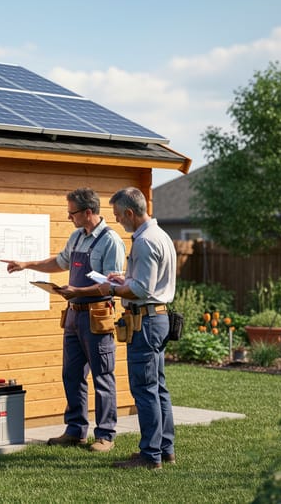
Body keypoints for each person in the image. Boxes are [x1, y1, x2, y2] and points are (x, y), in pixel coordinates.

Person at [2, 188, 125, 453]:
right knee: (71, 375)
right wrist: (26, 264)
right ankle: (75, 431)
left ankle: (106, 435)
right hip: (73, 316)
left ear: (88, 212)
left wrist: (78, 291)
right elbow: (60, 262)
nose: (69, 217)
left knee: (103, 376)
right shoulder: (77, 237)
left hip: (97, 316)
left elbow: (112, 286)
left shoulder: (111, 241)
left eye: (72, 213)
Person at [101, 186, 177, 470]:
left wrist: (111, 287)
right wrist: (123, 278)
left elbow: (141, 289)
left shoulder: (144, 241)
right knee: (158, 388)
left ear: (131, 213)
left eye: (119, 216)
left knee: (144, 389)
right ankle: (165, 449)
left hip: (144, 321)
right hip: (158, 318)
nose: (119, 221)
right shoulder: (162, 236)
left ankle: (149, 455)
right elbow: (148, 281)